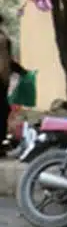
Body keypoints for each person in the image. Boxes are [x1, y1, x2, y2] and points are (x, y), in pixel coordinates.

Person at [0, 15, 27, 152]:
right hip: (2, 79)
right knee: (3, 110)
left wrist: (21, 71)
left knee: (4, 110)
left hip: (3, 79)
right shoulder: (3, 38)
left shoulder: (4, 37)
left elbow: (7, 60)